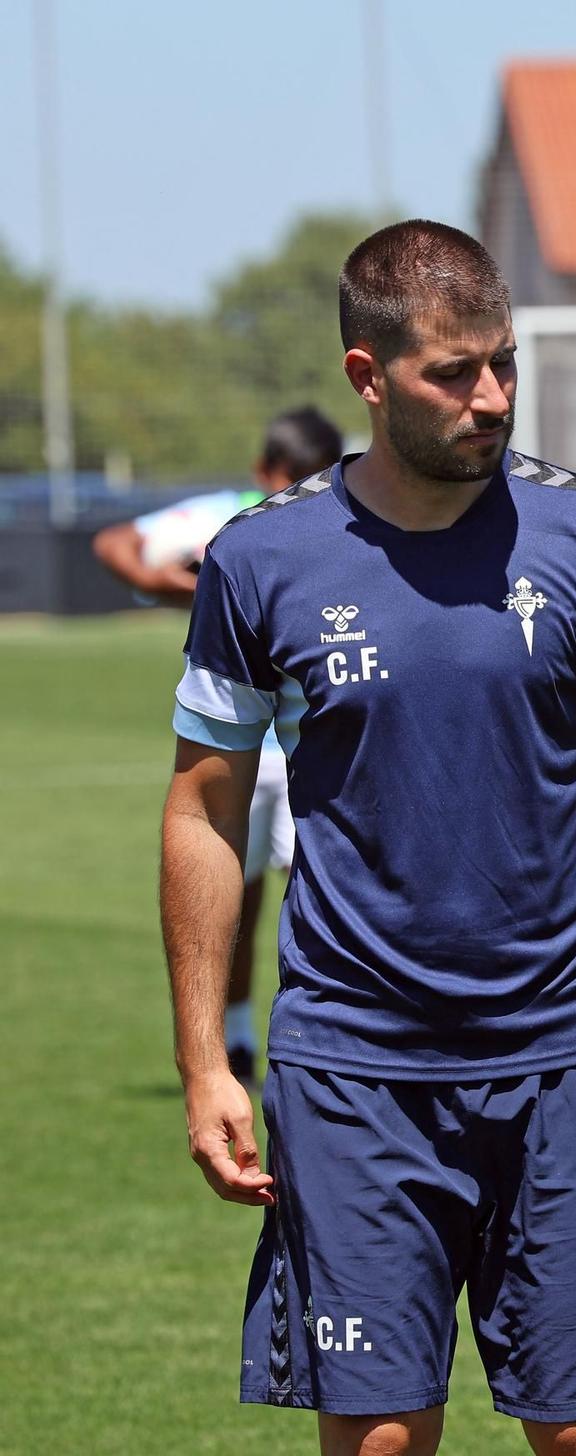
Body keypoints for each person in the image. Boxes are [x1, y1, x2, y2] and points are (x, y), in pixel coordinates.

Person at [160, 219, 576, 1456]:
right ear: (367, 377)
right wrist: (203, 1063)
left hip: (566, 1056)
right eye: (453, 372)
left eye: (501, 364)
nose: (488, 398)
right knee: (381, 1439)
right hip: (355, 1068)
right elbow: (204, 806)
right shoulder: (260, 560)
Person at [97, 407, 344, 1084]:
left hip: (309, 755)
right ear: (264, 473)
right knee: (234, 901)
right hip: (233, 750)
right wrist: (163, 584)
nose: (298, 491)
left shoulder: (347, 522)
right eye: (289, 478)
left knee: (329, 898)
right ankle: (234, 1041)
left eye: (312, 478)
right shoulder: (229, 518)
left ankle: (324, 1038)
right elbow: (115, 541)